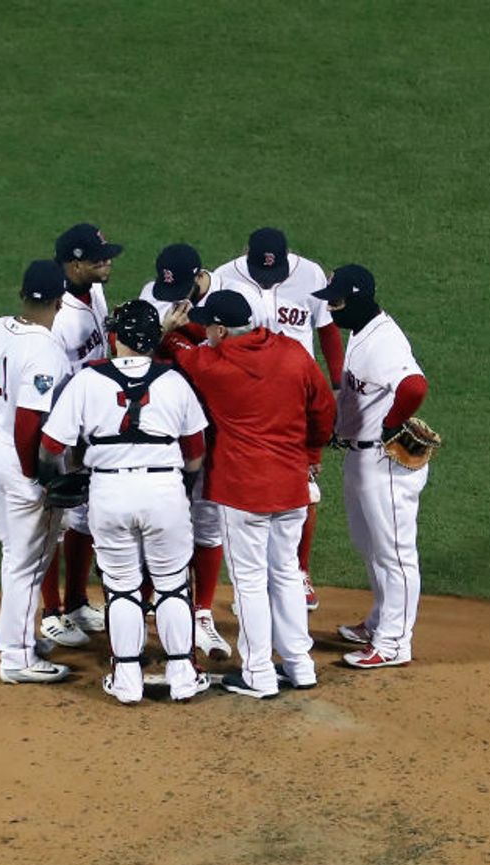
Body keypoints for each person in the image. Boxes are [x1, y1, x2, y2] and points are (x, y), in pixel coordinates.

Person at [160, 290, 336, 698]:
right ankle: (300, 665)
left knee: (251, 583)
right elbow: (324, 408)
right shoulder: (292, 352)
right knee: (288, 574)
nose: (204, 331)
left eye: (209, 326)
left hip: (244, 492)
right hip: (293, 485)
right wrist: (311, 452)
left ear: (220, 329)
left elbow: (179, 349)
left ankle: (258, 673)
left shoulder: (213, 366)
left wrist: (171, 329)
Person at [41, 300, 211, 704]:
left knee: (121, 588)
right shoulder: (175, 381)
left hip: (109, 494)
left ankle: (127, 679)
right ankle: (183, 674)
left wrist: (61, 476)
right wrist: (180, 488)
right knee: (171, 586)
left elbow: (51, 447)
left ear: (115, 337)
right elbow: (196, 454)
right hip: (164, 491)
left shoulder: (86, 380)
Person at [213, 227, 344, 612]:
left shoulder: (311, 275)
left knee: (305, 488)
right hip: (243, 399)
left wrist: (335, 386)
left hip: (295, 398)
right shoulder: (225, 275)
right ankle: (252, 582)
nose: (269, 277)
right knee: (243, 491)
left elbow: (328, 332)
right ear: (246, 255)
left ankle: (298, 571)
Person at [314, 265, 430, 669]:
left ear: (359, 299)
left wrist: (392, 422)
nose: (330, 307)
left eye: (338, 300)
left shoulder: (385, 343)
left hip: (385, 463)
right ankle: (381, 620)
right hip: (361, 457)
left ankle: (395, 642)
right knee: (370, 547)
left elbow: (414, 386)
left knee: (395, 553)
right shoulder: (361, 331)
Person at [0, 260, 75, 684]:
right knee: (27, 562)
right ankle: (17, 658)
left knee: (16, 555)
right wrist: (39, 476)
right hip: (19, 458)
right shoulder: (45, 349)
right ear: (59, 300)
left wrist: (0, 404)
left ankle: (22, 638)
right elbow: (31, 420)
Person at [139, 244, 229, 659]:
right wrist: (161, 332)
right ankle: (147, 600)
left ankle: (204, 613)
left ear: (197, 277)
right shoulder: (150, 295)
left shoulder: (227, 299)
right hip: (164, 422)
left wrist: (186, 335)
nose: (168, 295)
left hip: (216, 424)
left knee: (207, 518)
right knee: (158, 513)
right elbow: (136, 356)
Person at [37, 223, 124, 649]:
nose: (106, 262)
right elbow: (47, 383)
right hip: (63, 426)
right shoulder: (59, 318)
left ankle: (74, 602)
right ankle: (50, 612)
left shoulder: (94, 291)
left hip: (92, 423)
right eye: (97, 257)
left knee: (84, 516)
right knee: (53, 520)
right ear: (74, 264)